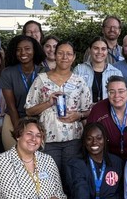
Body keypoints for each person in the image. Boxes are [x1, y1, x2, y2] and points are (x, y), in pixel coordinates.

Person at [25, 41, 92, 181]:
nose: (64, 57)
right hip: (48, 139)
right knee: (49, 179)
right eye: (60, 53)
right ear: (54, 55)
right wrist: (48, 103)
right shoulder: (41, 80)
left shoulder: (79, 81)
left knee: (71, 178)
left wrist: (79, 115)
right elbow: (29, 111)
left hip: (73, 139)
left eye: (68, 54)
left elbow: (89, 110)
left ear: (74, 57)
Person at [0, 34, 46, 149]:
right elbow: (11, 106)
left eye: (27, 49)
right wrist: (19, 131)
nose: (23, 53)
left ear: (34, 51)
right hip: (14, 119)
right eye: (18, 50)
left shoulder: (44, 72)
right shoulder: (7, 73)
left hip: (40, 120)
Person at [74, 36, 122, 103]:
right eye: (96, 48)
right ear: (90, 50)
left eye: (103, 49)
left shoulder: (116, 73)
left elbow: (120, 97)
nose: (99, 52)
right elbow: (73, 94)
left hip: (107, 111)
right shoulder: (79, 70)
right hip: (84, 112)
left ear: (107, 51)